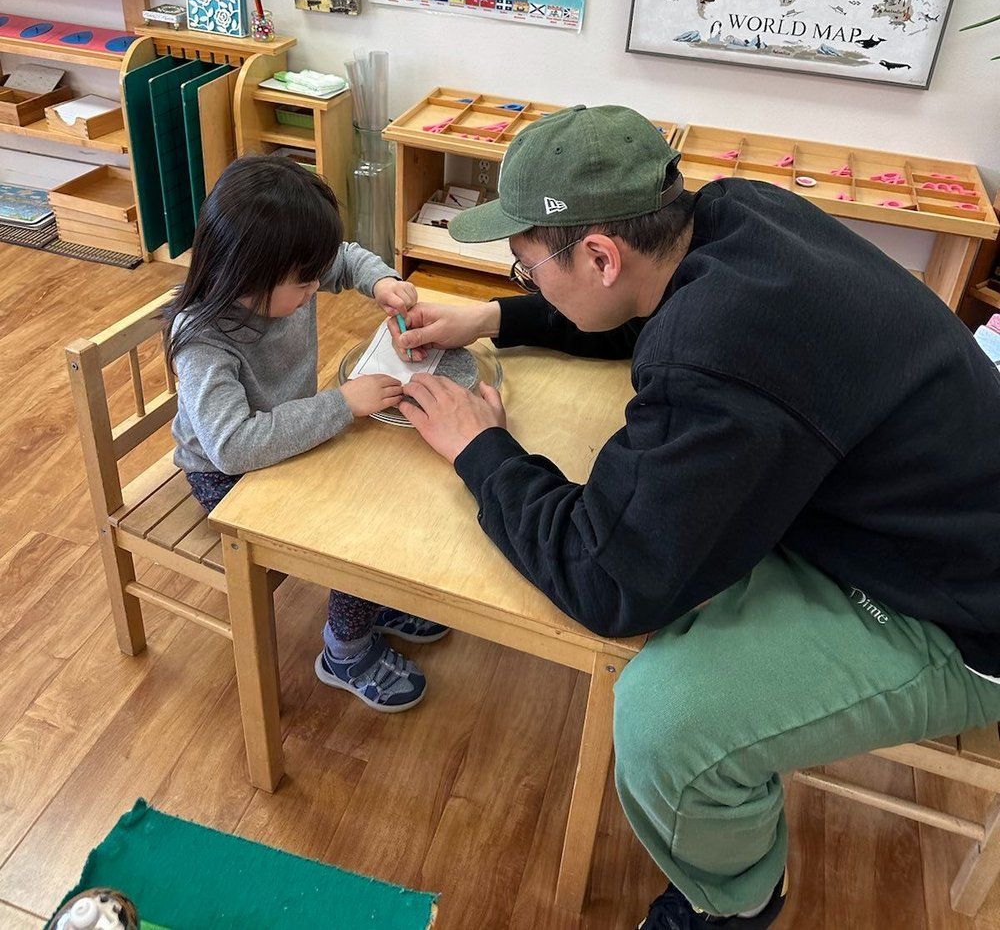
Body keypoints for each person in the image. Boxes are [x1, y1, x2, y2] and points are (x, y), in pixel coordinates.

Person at [385, 105, 1000, 928]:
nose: (525, 282)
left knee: (665, 723)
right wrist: (495, 316)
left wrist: (481, 449)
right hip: (917, 508)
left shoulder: (713, 353)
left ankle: (737, 902)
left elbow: (606, 579)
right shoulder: (737, 214)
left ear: (600, 255)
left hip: (956, 611)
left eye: (526, 270)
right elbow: (647, 311)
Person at [165, 154, 449, 714]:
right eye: (305, 282)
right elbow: (234, 446)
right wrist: (341, 404)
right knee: (351, 520)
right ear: (249, 272)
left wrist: (381, 281)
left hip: (289, 434)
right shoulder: (203, 340)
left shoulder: (283, 274)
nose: (317, 286)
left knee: (382, 478)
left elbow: (342, 258)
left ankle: (370, 601)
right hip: (227, 474)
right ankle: (346, 649)